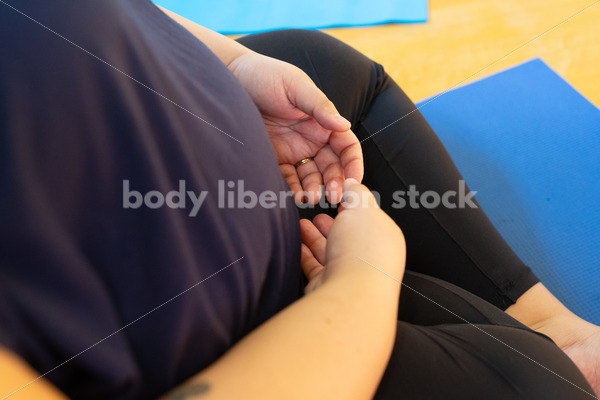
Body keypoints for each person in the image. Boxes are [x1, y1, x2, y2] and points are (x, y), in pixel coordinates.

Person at [0, 1, 598, 399]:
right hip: (239, 347)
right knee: (545, 385)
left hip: (250, 208)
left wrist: (235, 64)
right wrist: (360, 281)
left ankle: (552, 323)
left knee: (327, 70)